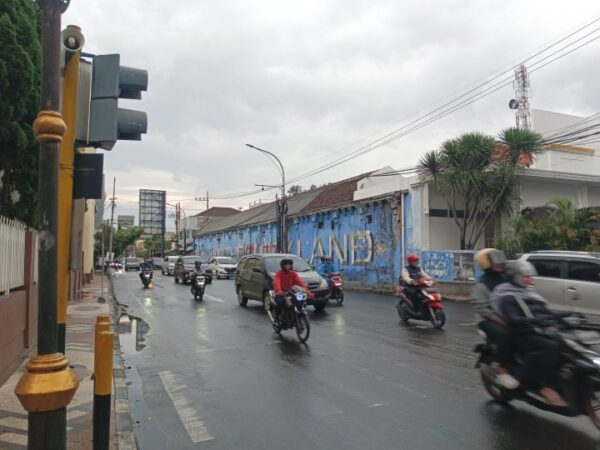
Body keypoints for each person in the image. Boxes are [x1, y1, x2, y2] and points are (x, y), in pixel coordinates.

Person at [490, 260, 567, 406]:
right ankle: (531, 383)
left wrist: (566, 315)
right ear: (514, 277)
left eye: (529, 276)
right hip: (521, 333)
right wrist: (528, 321)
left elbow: (546, 312)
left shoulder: (530, 294)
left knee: (565, 344)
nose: (528, 279)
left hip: (539, 330)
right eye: (524, 276)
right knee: (551, 348)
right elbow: (511, 317)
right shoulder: (507, 296)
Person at [473, 249, 518, 389]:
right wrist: (501, 321)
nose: (499, 262)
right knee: (505, 335)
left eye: (500, 258)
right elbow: (483, 310)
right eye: (495, 259)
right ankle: (502, 370)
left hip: (508, 315)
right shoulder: (482, 284)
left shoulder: (507, 278)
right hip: (488, 320)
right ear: (486, 263)